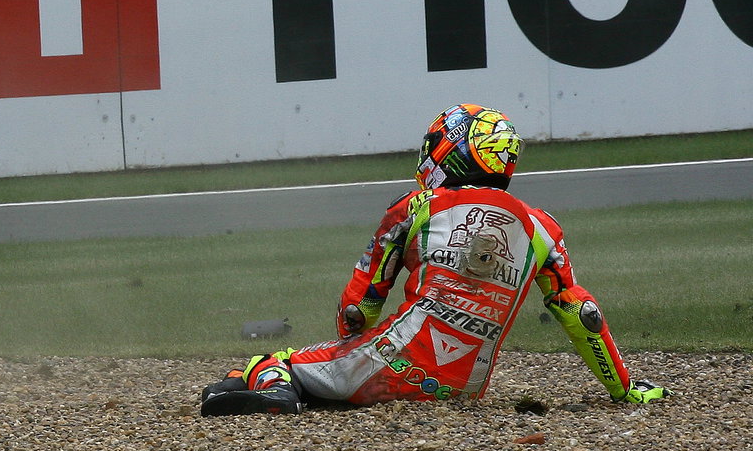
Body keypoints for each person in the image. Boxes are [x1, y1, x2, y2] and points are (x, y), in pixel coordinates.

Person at [199, 104, 668, 415]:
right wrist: (624, 390)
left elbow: (357, 307)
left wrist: (348, 348)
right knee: (342, 382)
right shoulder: (544, 227)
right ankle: (318, 389)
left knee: (270, 361)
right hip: (463, 388)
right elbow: (582, 315)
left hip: (387, 362)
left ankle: (278, 392)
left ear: (454, 150)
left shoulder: (414, 207)